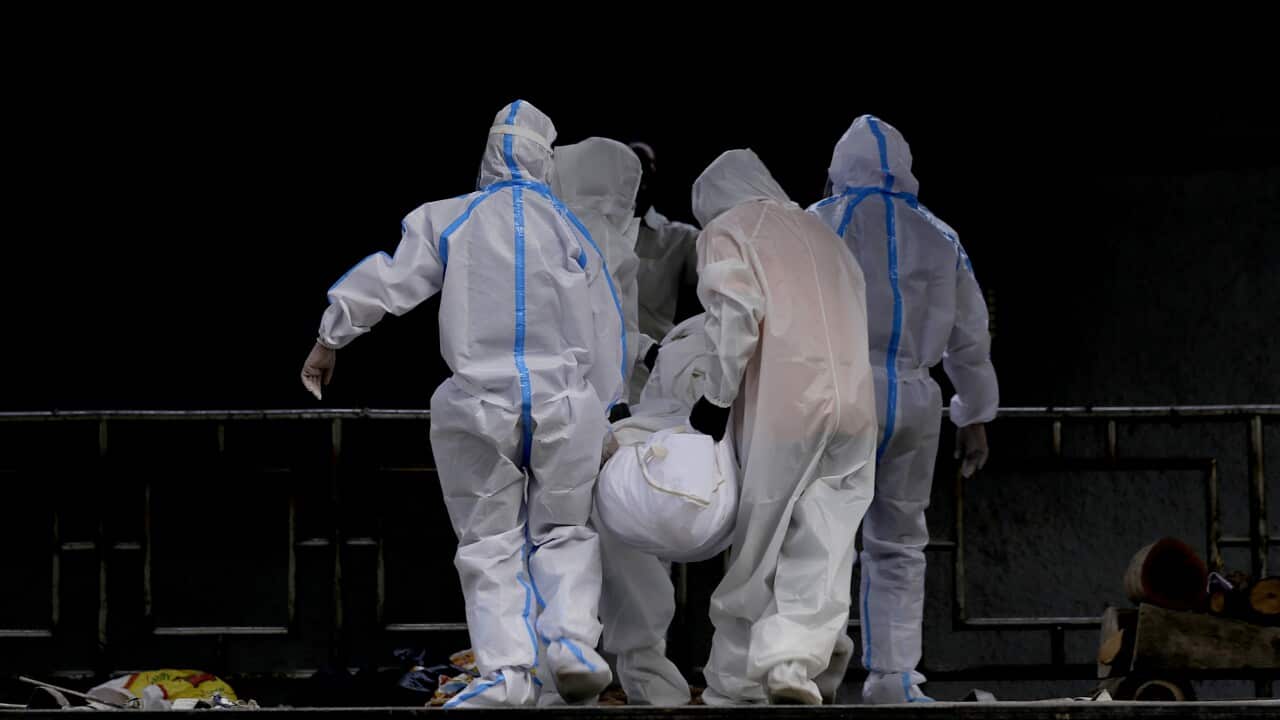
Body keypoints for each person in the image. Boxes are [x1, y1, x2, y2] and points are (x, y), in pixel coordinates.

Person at [299, 100, 625, 708]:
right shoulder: (572, 228)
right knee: (565, 531)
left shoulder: (450, 218)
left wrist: (329, 337)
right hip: (564, 402)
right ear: (545, 158)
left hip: (480, 403)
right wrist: (607, 409)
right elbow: (608, 324)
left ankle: (506, 676)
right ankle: (574, 645)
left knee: (488, 541)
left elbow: (390, 280)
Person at [808, 115, 999, 704]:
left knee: (821, 536)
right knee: (899, 541)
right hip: (916, 396)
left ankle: (810, 669)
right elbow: (971, 334)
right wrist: (975, 413)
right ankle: (893, 676)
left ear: (840, 167)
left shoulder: (818, 223)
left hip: (837, 393)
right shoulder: (939, 234)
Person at [686, 149, 878, 705]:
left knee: (758, 545)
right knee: (827, 539)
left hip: (784, 404)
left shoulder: (729, 230)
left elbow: (733, 311)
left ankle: (736, 682)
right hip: (854, 405)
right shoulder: (826, 236)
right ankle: (794, 664)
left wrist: (716, 397)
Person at [552, 138, 657, 419]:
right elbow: (608, 319)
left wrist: (644, 348)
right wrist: (616, 398)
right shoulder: (602, 236)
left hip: (550, 384)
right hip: (590, 392)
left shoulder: (548, 223)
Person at [629, 142, 701, 400]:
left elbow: (727, 287)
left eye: (647, 169)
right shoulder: (591, 234)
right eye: (633, 169)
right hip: (595, 373)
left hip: (650, 377)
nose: (641, 179)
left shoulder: (681, 238)